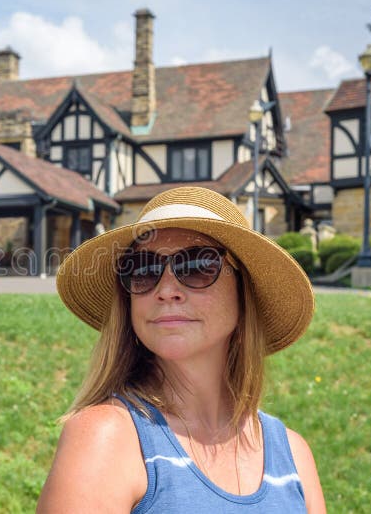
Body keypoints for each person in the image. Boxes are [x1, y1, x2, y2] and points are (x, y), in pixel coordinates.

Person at [37, 187, 326, 513]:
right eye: (143, 269)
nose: (167, 289)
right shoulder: (106, 440)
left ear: (243, 292)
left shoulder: (293, 456)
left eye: (198, 264)